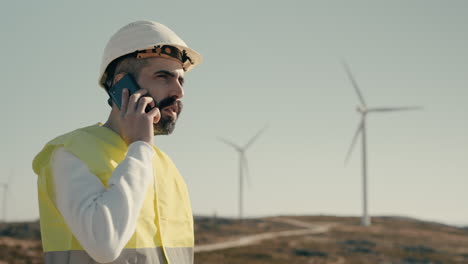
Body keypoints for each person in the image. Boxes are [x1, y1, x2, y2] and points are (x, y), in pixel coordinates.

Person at [32, 20, 202, 264]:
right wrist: (141, 146)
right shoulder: (70, 153)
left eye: (181, 80)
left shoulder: (166, 168)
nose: (179, 91)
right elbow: (105, 245)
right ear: (124, 85)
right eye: (163, 76)